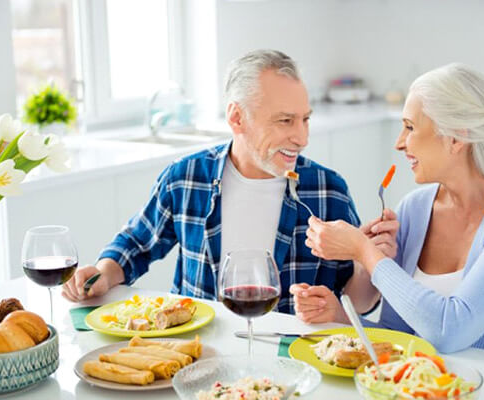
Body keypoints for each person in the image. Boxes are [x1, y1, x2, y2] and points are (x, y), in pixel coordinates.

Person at [62, 49, 362, 314]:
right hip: (200, 351)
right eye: (285, 121)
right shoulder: (186, 177)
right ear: (237, 118)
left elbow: (355, 294)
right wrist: (101, 274)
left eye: (305, 119)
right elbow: (135, 244)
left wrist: (368, 259)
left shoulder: (328, 190)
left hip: (293, 356)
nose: (302, 137)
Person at [291, 63, 484, 353]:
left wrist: (364, 253)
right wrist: (339, 318)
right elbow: (398, 335)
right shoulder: (415, 209)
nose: (399, 143)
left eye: (409, 127)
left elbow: (449, 330)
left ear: (455, 137)